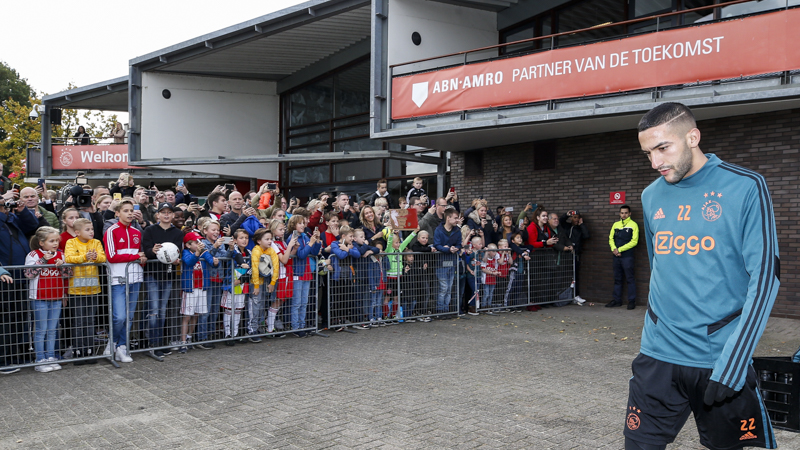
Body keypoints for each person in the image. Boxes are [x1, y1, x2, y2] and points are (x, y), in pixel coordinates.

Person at [624, 102, 781, 450]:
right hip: (657, 356)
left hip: (720, 359)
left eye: (663, 148)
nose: (655, 162)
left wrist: (734, 362)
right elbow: (659, 264)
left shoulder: (746, 186)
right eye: (647, 152)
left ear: (693, 137)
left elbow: (766, 276)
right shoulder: (651, 196)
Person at [102, 198, 146, 363]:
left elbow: (142, 254)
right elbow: (111, 257)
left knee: (129, 316)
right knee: (119, 316)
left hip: (136, 278)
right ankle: (111, 344)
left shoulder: (137, 232)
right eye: (125, 211)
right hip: (118, 279)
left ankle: (122, 347)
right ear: (117, 213)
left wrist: (142, 259)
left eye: (131, 211)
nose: (129, 214)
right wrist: (136, 257)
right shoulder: (111, 231)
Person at [24, 227, 71, 372]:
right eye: (52, 241)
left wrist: (62, 266)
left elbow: (68, 274)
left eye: (57, 240)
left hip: (56, 297)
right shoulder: (33, 254)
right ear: (41, 242)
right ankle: (40, 359)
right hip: (39, 297)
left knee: (52, 329)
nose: (55, 243)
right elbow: (29, 274)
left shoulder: (61, 254)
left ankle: (51, 356)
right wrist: (44, 260)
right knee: (40, 329)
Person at [0, 198, 38, 374]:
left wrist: (22, 211)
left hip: (20, 278)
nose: (6, 205)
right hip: (5, 278)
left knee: (21, 318)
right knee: (6, 319)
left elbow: (32, 226)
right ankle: (4, 358)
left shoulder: (11, 219)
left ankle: (19, 354)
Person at [141, 203, 184, 356]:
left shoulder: (178, 233)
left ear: (173, 215)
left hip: (168, 275)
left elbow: (177, 252)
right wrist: (152, 251)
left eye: (169, 212)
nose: (166, 215)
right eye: (163, 212)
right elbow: (145, 250)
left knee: (163, 310)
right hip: (152, 274)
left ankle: (159, 342)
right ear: (157, 215)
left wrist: (176, 259)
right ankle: (152, 343)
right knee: (153, 310)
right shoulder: (149, 230)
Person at [64, 218, 106, 365]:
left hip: (93, 288)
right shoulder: (71, 242)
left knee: (90, 320)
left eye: (92, 229)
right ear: (77, 232)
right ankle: (78, 352)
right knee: (79, 320)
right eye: (87, 230)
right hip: (76, 289)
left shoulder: (96, 242)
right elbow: (69, 257)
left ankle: (90, 350)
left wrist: (96, 257)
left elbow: (103, 257)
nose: (91, 232)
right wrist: (84, 257)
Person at [178, 232, 216, 354]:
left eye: (200, 241)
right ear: (188, 245)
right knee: (187, 316)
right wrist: (197, 253)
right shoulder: (185, 252)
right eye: (196, 242)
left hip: (202, 288)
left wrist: (215, 262)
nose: (199, 244)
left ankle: (190, 338)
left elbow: (212, 262)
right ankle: (183, 342)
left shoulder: (204, 252)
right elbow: (189, 262)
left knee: (196, 314)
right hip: (190, 289)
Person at [288, 214, 321, 337]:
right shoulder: (293, 238)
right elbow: (301, 254)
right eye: (300, 223)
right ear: (293, 225)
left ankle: (302, 325)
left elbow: (314, 252)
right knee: (297, 302)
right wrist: (311, 243)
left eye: (303, 223)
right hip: (298, 273)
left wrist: (316, 241)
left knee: (304, 302)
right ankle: (295, 327)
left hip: (307, 273)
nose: (303, 225)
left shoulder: (305, 236)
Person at [221, 229, 251, 344]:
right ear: (235, 240)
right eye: (241, 238)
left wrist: (241, 280)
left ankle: (235, 333)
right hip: (230, 285)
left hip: (242, 286)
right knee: (229, 310)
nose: (244, 240)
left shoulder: (249, 252)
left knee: (238, 310)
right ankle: (227, 334)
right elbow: (235, 256)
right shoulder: (232, 250)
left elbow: (252, 268)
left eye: (246, 238)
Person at [249, 228, 279, 342]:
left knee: (262, 306)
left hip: (266, 282)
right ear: (259, 241)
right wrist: (256, 286)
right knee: (255, 306)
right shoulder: (256, 250)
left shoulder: (271, 250)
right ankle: (252, 330)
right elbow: (255, 269)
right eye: (267, 239)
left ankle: (258, 328)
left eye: (270, 239)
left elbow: (276, 266)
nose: (270, 241)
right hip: (256, 283)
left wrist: (272, 283)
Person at [607, 204, 638, 309]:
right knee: (617, 279)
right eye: (622, 213)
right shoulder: (615, 224)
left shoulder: (633, 225)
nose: (623, 215)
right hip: (616, 256)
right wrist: (614, 249)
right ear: (619, 213)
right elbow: (611, 238)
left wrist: (620, 250)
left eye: (625, 213)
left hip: (627, 256)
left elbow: (634, 241)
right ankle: (617, 300)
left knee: (630, 278)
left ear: (629, 214)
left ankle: (632, 301)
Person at [433, 208, 462, 315]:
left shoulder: (457, 231)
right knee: (443, 288)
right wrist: (448, 249)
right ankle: (440, 309)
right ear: (448, 218)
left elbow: (459, 244)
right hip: (441, 262)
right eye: (455, 218)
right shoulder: (439, 230)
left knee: (449, 288)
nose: (456, 220)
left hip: (452, 262)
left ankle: (445, 309)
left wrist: (455, 248)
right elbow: (437, 245)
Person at [560, 210, 589, 303]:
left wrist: (582, 225)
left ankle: (575, 295)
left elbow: (586, 236)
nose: (576, 219)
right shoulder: (567, 226)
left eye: (578, 217)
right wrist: (566, 215)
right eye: (574, 217)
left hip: (575, 254)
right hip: (565, 254)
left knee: (575, 275)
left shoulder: (579, 228)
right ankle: (564, 294)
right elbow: (561, 221)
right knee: (565, 274)